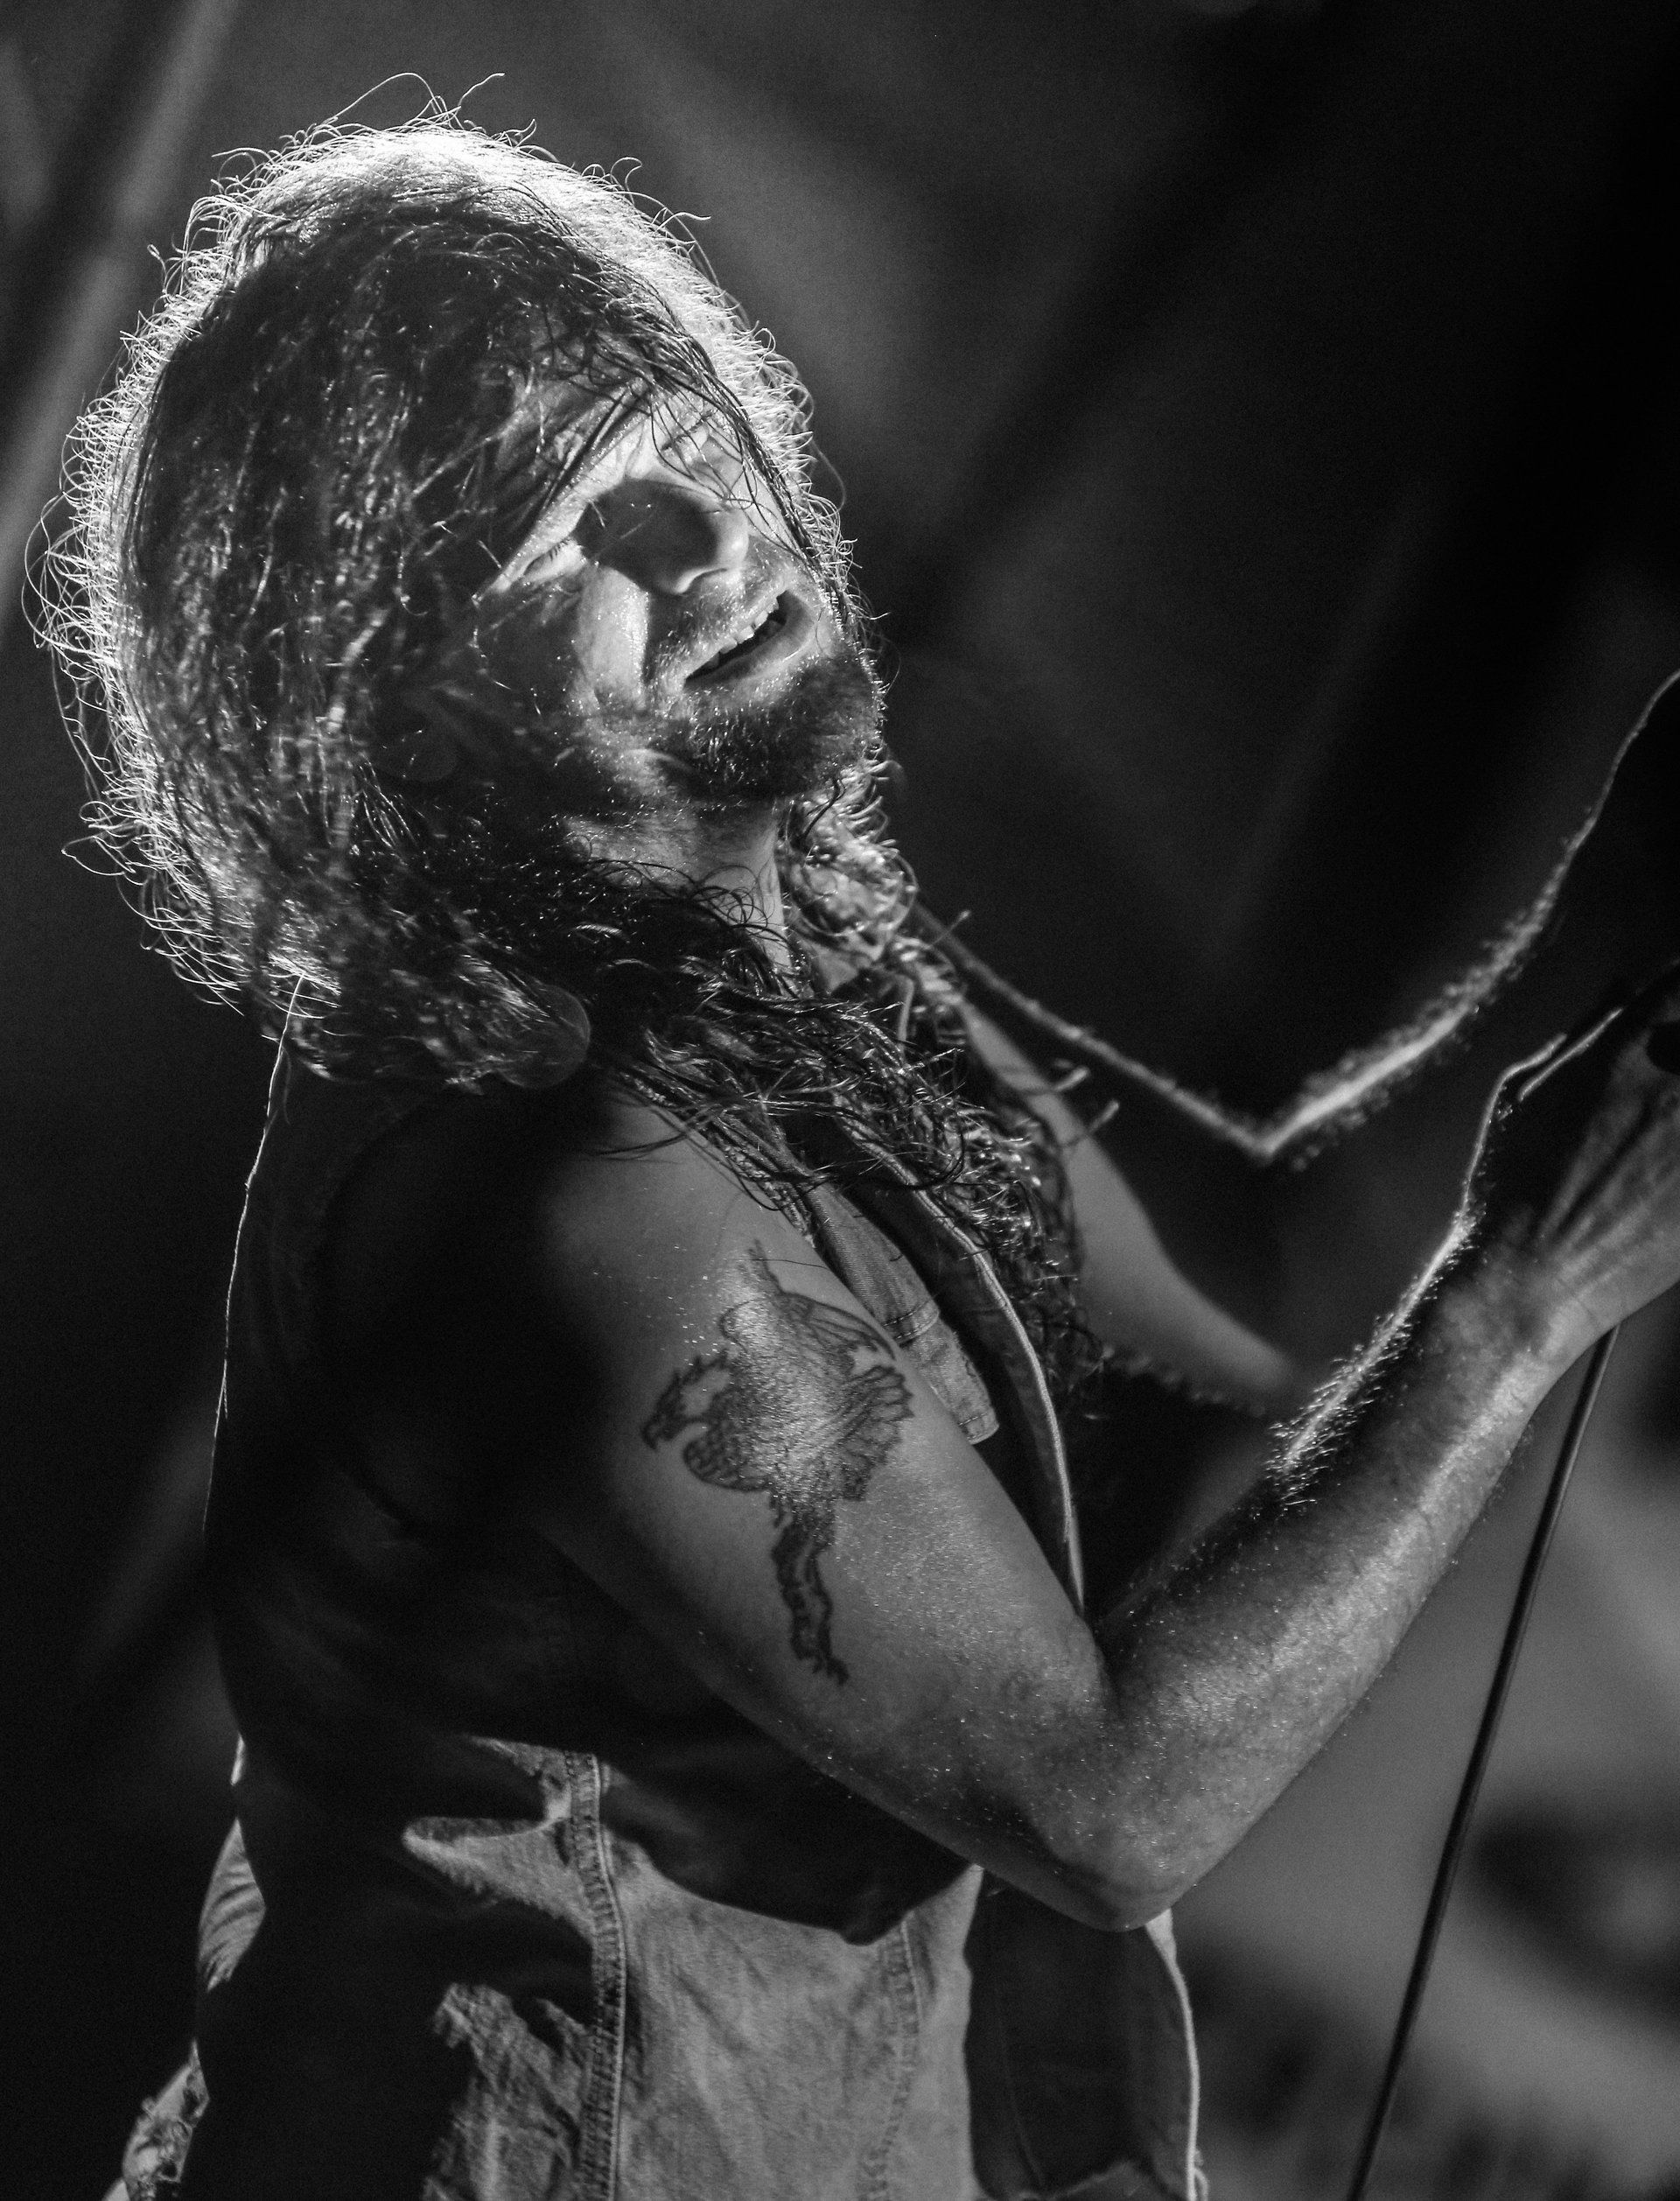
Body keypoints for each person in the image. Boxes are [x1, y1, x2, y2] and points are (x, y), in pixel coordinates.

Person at [47, 119, 1680, 2201]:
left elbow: (1259, 1273)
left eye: (674, 439)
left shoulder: (772, 933)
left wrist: (1621, 885)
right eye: (573, 542)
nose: (697, 542)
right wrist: (1521, 1297)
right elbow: (1106, 1804)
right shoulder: (582, 1177)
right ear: (403, 711)